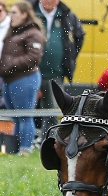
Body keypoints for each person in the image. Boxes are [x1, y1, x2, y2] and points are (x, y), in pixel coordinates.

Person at [30, 0, 83, 140]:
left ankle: (49, 141)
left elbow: (80, 36)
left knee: (52, 111)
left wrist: (69, 57)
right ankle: (23, 145)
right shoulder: (30, 11)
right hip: (28, 72)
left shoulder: (67, 15)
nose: (49, 1)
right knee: (24, 110)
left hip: (55, 73)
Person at [0, 1, 43, 155]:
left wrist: (10, 64)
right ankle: (16, 149)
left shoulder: (33, 33)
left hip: (25, 78)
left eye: (14, 13)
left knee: (25, 116)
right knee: (16, 118)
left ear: (25, 14)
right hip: (10, 79)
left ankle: (25, 149)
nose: (11, 16)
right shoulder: (15, 31)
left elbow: (34, 57)